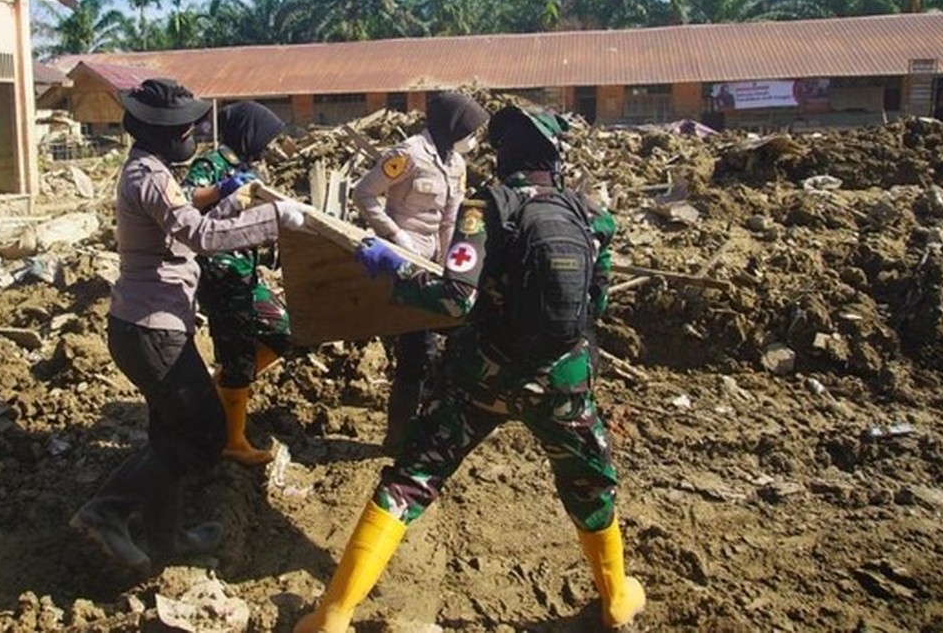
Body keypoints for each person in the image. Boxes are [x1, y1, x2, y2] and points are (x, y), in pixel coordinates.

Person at [296, 105, 644, 632]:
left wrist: (395, 272)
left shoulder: (486, 209)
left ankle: (333, 615)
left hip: (482, 376)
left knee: (411, 478)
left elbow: (456, 300)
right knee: (589, 484)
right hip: (563, 382)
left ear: (502, 156)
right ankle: (617, 598)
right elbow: (594, 311)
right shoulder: (594, 218)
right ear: (557, 158)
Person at [70, 78, 309, 568]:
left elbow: (182, 224)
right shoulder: (150, 176)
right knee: (203, 434)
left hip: (151, 324)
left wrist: (226, 198)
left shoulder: (150, 169)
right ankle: (104, 511)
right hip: (150, 328)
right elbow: (199, 237)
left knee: (169, 435)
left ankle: (165, 537)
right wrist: (275, 220)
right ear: (164, 133)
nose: (194, 134)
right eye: (186, 128)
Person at [350, 91, 489, 453]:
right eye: (471, 131)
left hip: (436, 264)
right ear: (453, 126)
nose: (474, 140)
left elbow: (450, 219)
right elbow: (363, 193)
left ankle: (432, 424)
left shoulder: (455, 162)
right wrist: (394, 235)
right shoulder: (408, 154)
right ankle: (398, 436)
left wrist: (451, 265)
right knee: (417, 349)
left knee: (454, 341)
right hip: (403, 262)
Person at [181, 101, 293, 466]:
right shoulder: (211, 165)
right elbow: (185, 201)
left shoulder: (247, 167)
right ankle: (232, 438)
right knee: (237, 353)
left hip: (244, 270)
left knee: (282, 330)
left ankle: (225, 388)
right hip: (220, 271)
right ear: (249, 132)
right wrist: (223, 189)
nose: (268, 145)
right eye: (265, 137)